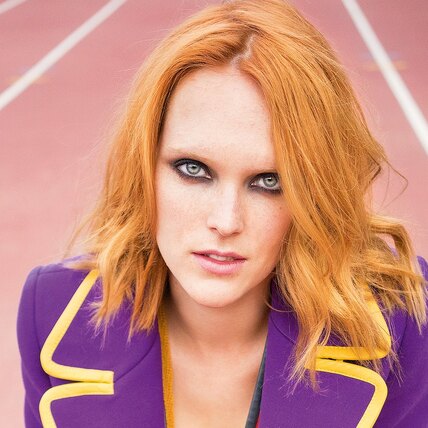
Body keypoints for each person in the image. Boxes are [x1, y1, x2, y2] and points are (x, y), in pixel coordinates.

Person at [17, 0, 427, 427]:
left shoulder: (402, 319)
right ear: (143, 165)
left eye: (269, 181)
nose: (226, 221)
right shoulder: (52, 313)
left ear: (314, 191)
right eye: (193, 169)